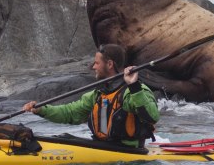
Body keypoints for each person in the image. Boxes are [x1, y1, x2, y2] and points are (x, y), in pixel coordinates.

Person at [22, 44, 160, 148]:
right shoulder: (97, 94)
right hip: (103, 148)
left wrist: (134, 86)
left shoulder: (133, 91)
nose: (93, 66)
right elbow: (69, 113)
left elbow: (152, 116)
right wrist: (41, 110)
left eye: (97, 63)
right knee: (65, 138)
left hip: (129, 156)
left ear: (110, 64)